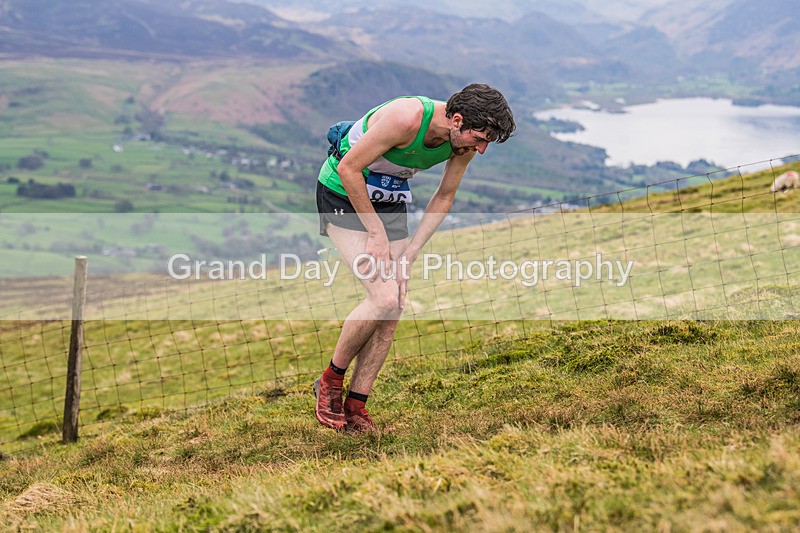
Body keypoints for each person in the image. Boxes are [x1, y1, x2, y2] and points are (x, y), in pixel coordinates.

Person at [313, 83, 515, 431]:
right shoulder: (406, 118)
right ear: (456, 119)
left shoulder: (462, 142)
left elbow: (444, 196)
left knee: (396, 302)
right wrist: (375, 233)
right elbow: (349, 169)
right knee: (383, 296)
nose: (480, 149)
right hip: (342, 192)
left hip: (389, 201)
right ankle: (330, 381)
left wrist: (411, 251)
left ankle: (357, 406)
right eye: (480, 138)